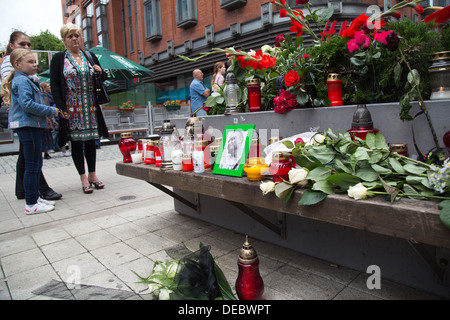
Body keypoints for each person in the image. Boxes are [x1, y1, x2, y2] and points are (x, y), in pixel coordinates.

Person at [0, 31, 62, 201]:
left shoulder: (24, 77)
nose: (34, 64)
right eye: (22, 44)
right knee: (32, 163)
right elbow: (26, 103)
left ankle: (31, 195)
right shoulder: (19, 77)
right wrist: (49, 111)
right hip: (26, 122)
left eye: (28, 45)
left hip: (31, 122)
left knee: (32, 161)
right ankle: (32, 199)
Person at [50, 23, 108, 194]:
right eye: (70, 36)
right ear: (64, 40)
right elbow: (54, 85)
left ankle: (93, 175)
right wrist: (61, 108)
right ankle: (83, 177)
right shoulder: (59, 59)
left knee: (91, 140)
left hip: (90, 106)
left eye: (77, 35)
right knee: (76, 142)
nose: (74, 39)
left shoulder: (89, 56)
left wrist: (99, 71)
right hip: (71, 107)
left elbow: (102, 77)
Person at [39, 82, 55, 159]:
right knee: (43, 137)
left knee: (46, 136)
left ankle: (46, 152)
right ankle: (45, 152)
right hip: (43, 118)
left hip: (46, 118)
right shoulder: (43, 96)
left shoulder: (45, 96)